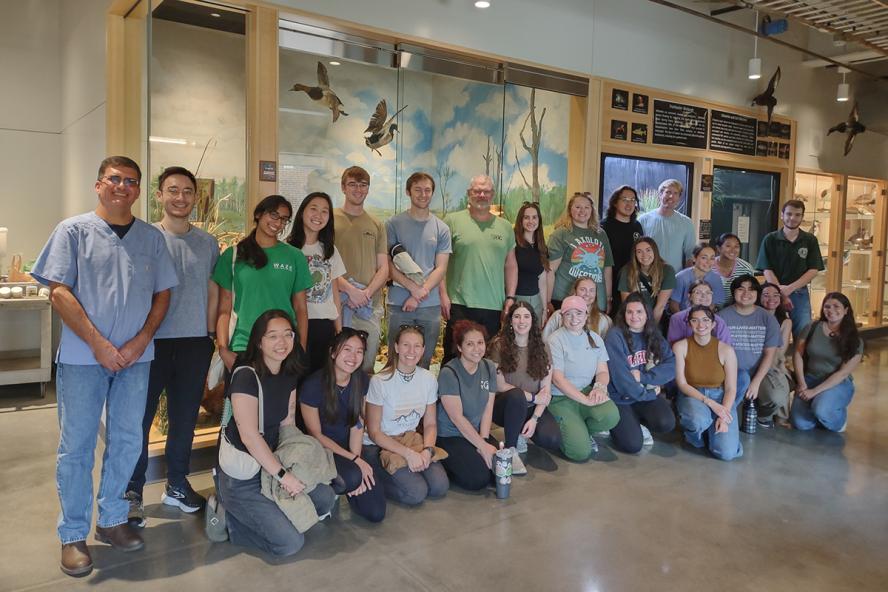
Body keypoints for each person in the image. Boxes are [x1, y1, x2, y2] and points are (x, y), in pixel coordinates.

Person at [31, 156, 178, 577]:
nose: (122, 186)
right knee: (76, 446)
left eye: (131, 181)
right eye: (114, 179)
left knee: (128, 440)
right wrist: (97, 344)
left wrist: (141, 340)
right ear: (99, 185)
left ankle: (112, 519)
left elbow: (163, 294)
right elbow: (59, 292)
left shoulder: (151, 237)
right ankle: (73, 534)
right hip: (83, 359)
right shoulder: (73, 232)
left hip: (135, 359)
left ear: (138, 190)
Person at [127, 166, 219, 527]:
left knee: (184, 420)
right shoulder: (145, 238)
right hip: (152, 343)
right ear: (159, 195)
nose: (180, 197)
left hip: (195, 343)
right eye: (173, 190)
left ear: (196, 197)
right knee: (140, 420)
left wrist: (210, 335)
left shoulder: (207, 243)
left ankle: (177, 485)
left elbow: (213, 290)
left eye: (187, 191)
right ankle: (132, 492)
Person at [204, 310, 336, 556]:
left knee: (325, 499)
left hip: (273, 462)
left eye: (287, 334)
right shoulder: (245, 375)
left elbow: (287, 423)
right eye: (273, 336)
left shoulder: (289, 371)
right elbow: (249, 437)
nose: (282, 342)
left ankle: (272, 509)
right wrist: (284, 477)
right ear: (259, 342)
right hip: (243, 476)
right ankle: (226, 516)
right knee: (290, 543)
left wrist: (301, 464)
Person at [213, 195, 312, 371]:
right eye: (274, 215)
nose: (278, 223)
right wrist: (223, 349)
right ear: (259, 214)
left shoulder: (295, 256)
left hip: (283, 347)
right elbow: (224, 309)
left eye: (284, 219)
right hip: (243, 345)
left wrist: (301, 347)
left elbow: (301, 308)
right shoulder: (233, 255)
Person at [300, 329, 386, 522]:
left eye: (359, 351)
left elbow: (357, 424)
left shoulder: (361, 380)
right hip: (322, 450)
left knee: (376, 512)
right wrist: (354, 462)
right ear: (333, 352)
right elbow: (315, 434)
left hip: (349, 449)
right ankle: (325, 488)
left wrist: (357, 459)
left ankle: (349, 479)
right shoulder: (313, 385)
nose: (353, 357)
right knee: (353, 478)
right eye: (347, 349)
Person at [364, 325, 449, 506]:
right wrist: (408, 454)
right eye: (406, 345)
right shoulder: (380, 381)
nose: (411, 351)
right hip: (381, 444)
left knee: (439, 486)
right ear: (396, 347)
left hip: (410, 438)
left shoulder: (428, 379)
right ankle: (375, 474)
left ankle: (405, 471)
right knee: (416, 493)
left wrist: (427, 450)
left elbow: (430, 424)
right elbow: (374, 432)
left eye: (417, 346)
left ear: (423, 350)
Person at [440, 175, 517, 362]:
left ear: (493, 195)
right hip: (459, 304)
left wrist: (510, 297)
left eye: (486, 191)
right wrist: (442, 294)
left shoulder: (505, 227)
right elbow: (441, 263)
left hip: (493, 306)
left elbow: (511, 265)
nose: (482, 195)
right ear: (469, 193)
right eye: (477, 191)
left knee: (487, 360)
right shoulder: (451, 221)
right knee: (454, 358)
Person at [385, 172, 451, 368]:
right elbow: (387, 264)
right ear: (408, 192)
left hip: (430, 306)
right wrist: (412, 288)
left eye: (427, 190)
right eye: (418, 190)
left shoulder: (442, 228)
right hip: (398, 303)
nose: (423, 194)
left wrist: (420, 294)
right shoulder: (392, 224)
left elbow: (441, 268)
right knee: (395, 361)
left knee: (424, 362)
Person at [546, 296, 620, 461]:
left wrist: (599, 388)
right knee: (580, 453)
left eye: (579, 313)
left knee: (611, 415)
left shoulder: (595, 338)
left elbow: (602, 371)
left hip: (585, 390)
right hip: (560, 398)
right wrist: (585, 400)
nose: (574, 319)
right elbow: (557, 379)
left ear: (586, 315)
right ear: (562, 317)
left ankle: (581, 431)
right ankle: (573, 432)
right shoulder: (555, 340)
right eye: (568, 314)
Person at [487, 301, 562, 458]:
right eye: (517, 316)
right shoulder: (499, 345)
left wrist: (534, 418)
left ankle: (521, 431)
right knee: (516, 395)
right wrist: (534, 397)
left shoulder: (542, 347)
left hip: (532, 407)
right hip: (506, 406)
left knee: (552, 439)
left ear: (532, 320)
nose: (522, 321)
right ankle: (510, 449)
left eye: (526, 316)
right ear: (510, 320)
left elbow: (546, 390)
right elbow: (500, 386)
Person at [604, 293, 677, 453]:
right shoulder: (615, 336)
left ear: (647, 314)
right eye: (629, 312)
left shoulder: (653, 334)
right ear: (624, 314)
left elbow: (671, 365)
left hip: (642, 392)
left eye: (639, 312)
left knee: (666, 423)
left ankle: (636, 421)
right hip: (620, 398)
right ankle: (620, 424)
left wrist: (645, 377)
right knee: (632, 445)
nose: (634, 316)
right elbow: (622, 381)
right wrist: (649, 394)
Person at [334, 166, 390, 372]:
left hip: (368, 307)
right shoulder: (330, 220)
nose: (358, 189)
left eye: (363, 185)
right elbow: (323, 265)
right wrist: (350, 290)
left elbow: (384, 268)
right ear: (343, 187)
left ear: (368, 189)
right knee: (337, 367)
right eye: (352, 184)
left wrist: (365, 294)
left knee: (366, 367)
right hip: (337, 306)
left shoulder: (377, 224)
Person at [436, 321, 502, 490]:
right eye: (470, 344)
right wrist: (482, 446)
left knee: (499, 471)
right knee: (478, 479)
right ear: (459, 347)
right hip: (451, 435)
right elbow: (457, 418)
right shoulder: (449, 373)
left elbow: (488, 408)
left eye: (480, 343)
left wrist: (484, 440)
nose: (477, 349)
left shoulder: (488, 367)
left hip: (476, 431)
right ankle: (445, 463)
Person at [287, 191, 346, 374]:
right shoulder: (286, 248)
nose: (318, 215)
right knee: (294, 376)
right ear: (302, 212)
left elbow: (334, 292)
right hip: (293, 324)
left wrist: (339, 331)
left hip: (323, 325)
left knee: (319, 380)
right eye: (313, 209)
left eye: (324, 211)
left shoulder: (329, 250)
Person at [673, 306, 742, 461]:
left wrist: (723, 415)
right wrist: (709, 403)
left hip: (720, 395)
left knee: (726, 453)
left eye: (705, 320)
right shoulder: (680, 347)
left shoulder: (727, 350)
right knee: (697, 420)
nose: (700, 325)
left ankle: (714, 432)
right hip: (693, 395)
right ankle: (696, 436)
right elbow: (682, 384)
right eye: (695, 320)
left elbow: (731, 388)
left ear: (713, 324)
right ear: (689, 324)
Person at [791, 293, 863, 432]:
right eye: (827, 306)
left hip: (837, 383)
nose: (831, 310)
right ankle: (821, 414)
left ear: (846, 310)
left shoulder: (854, 339)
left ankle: (838, 419)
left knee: (821, 408)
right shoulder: (811, 328)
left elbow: (842, 374)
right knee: (801, 424)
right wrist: (802, 383)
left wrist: (813, 392)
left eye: (836, 306)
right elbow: (798, 354)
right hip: (810, 379)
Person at [756, 199, 824, 337]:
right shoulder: (770, 239)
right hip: (772, 293)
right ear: (782, 215)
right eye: (789, 214)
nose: (792, 218)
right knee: (769, 331)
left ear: (802, 217)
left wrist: (790, 289)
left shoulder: (810, 240)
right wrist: (780, 292)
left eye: (797, 215)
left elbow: (813, 269)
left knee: (803, 333)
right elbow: (766, 269)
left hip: (799, 293)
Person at [717, 275, 781, 409]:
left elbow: (770, 354)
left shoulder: (768, 319)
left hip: (761, 371)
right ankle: (727, 413)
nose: (746, 293)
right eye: (741, 289)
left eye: (751, 289)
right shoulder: (721, 317)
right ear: (733, 292)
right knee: (739, 388)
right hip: (730, 372)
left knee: (776, 397)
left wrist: (756, 382)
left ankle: (762, 416)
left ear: (757, 293)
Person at [547, 191, 614, 314]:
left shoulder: (601, 234)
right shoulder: (561, 233)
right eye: (578, 207)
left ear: (592, 210)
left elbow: (607, 268)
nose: (582, 211)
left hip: (596, 301)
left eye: (586, 207)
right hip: (565, 298)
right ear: (570, 209)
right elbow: (550, 270)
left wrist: (608, 298)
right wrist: (547, 301)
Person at [637, 179, 695, 272]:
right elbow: (636, 251)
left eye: (675, 193)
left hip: (675, 276)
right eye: (668, 192)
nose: (671, 196)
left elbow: (690, 255)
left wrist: (688, 277)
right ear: (660, 194)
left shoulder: (686, 223)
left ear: (679, 198)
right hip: (648, 275)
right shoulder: (643, 220)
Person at [601, 185, 643, 311]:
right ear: (615, 202)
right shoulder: (604, 226)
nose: (629, 204)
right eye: (624, 199)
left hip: (631, 281)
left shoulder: (637, 226)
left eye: (632, 200)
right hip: (609, 281)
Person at [756, 282, 793, 428]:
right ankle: (764, 414)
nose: (771, 299)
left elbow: (780, 350)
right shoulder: (753, 316)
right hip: (754, 362)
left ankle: (779, 417)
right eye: (766, 295)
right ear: (759, 297)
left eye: (776, 295)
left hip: (774, 363)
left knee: (780, 382)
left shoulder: (785, 321)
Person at [618, 236, 676, 325]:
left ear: (655, 251)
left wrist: (651, 329)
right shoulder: (627, 271)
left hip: (656, 319)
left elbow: (660, 307)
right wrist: (637, 327)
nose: (644, 255)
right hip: (634, 319)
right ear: (635, 254)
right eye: (639, 252)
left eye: (648, 250)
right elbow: (628, 305)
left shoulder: (667, 270)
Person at [512, 201, 550, 324]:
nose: (531, 221)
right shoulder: (513, 244)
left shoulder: (542, 247)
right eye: (526, 217)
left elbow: (542, 280)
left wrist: (544, 309)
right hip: (517, 299)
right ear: (520, 220)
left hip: (537, 300)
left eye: (534, 217)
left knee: (535, 334)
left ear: (539, 220)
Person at [542, 277, 612, 340]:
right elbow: (544, 341)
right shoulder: (558, 316)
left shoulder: (604, 320)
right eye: (583, 289)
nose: (587, 294)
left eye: (592, 290)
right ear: (575, 292)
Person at [667, 280, 733, 346]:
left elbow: (725, 347)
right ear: (689, 296)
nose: (704, 296)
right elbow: (673, 346)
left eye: (708, 292)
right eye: (698, 292)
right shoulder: (677, 318)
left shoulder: (719, 321)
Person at [669, 242, 725, 313]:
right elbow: (674, 304)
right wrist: (683, 318)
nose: (708, 262)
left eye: (712, 258)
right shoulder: (681, 277)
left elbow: (714, 304)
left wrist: (704, 317)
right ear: (694, 258)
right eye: (704, 258)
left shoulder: (716, 278)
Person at [713, 233, 756, 306]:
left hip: (737, 308)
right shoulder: (708, 266)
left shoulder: (746, 268)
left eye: (736, 246)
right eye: (728, 246)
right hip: (711, 308)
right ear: (718, 248)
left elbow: (751, 291)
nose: (733, 250)